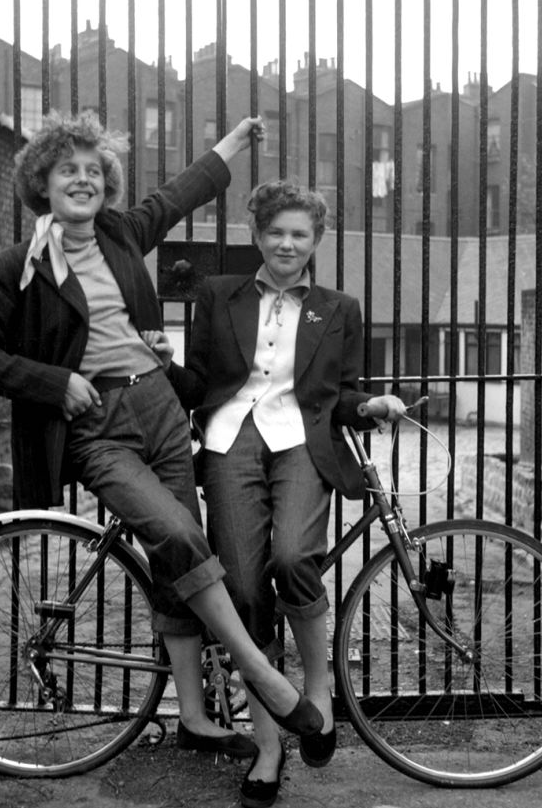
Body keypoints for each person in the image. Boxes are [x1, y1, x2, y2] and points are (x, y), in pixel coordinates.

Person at [0, 114, 323, 764]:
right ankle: (261, 673)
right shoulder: (12, 268)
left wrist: (235, 140)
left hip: (159, 405)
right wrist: (54, 380)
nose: (83, 179)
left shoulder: (121, 233)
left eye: (94, 170)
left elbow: (180, 192)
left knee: (178, 561)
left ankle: (196, 719)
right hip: (97, 426)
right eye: (68, 168)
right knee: (179, 534)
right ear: (41, 179)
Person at [166, 179, 405, 808]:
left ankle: (319, 693)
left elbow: (342, 393)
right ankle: (270, 746)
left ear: (317, 240)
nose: (286, 244)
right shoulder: (219, 295)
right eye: (275, 232)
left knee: (296, 555)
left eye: (299, 234)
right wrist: (162, 361)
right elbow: (197, 384)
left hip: (302, 438)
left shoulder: (340, 307)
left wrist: (371, 403)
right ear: (257, 235)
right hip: (229, 439)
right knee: (243, 587)